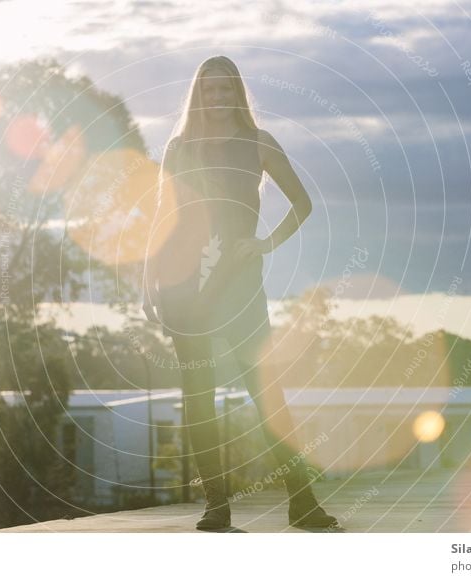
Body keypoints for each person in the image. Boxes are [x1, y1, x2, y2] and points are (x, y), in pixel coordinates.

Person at [142, 55, 340, 532]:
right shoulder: (179, 147)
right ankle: (216, 508)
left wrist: (266, 243)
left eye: (225, 88)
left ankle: (302, 504)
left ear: (237, 92)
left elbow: (303, 203)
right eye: (208, 89)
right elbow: (162, 217)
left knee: (266, 390)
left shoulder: (259, 143)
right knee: (198, 396)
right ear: (198, 94)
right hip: (183, 284)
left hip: (240, 284)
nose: (217, 96)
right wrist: (148, 278)